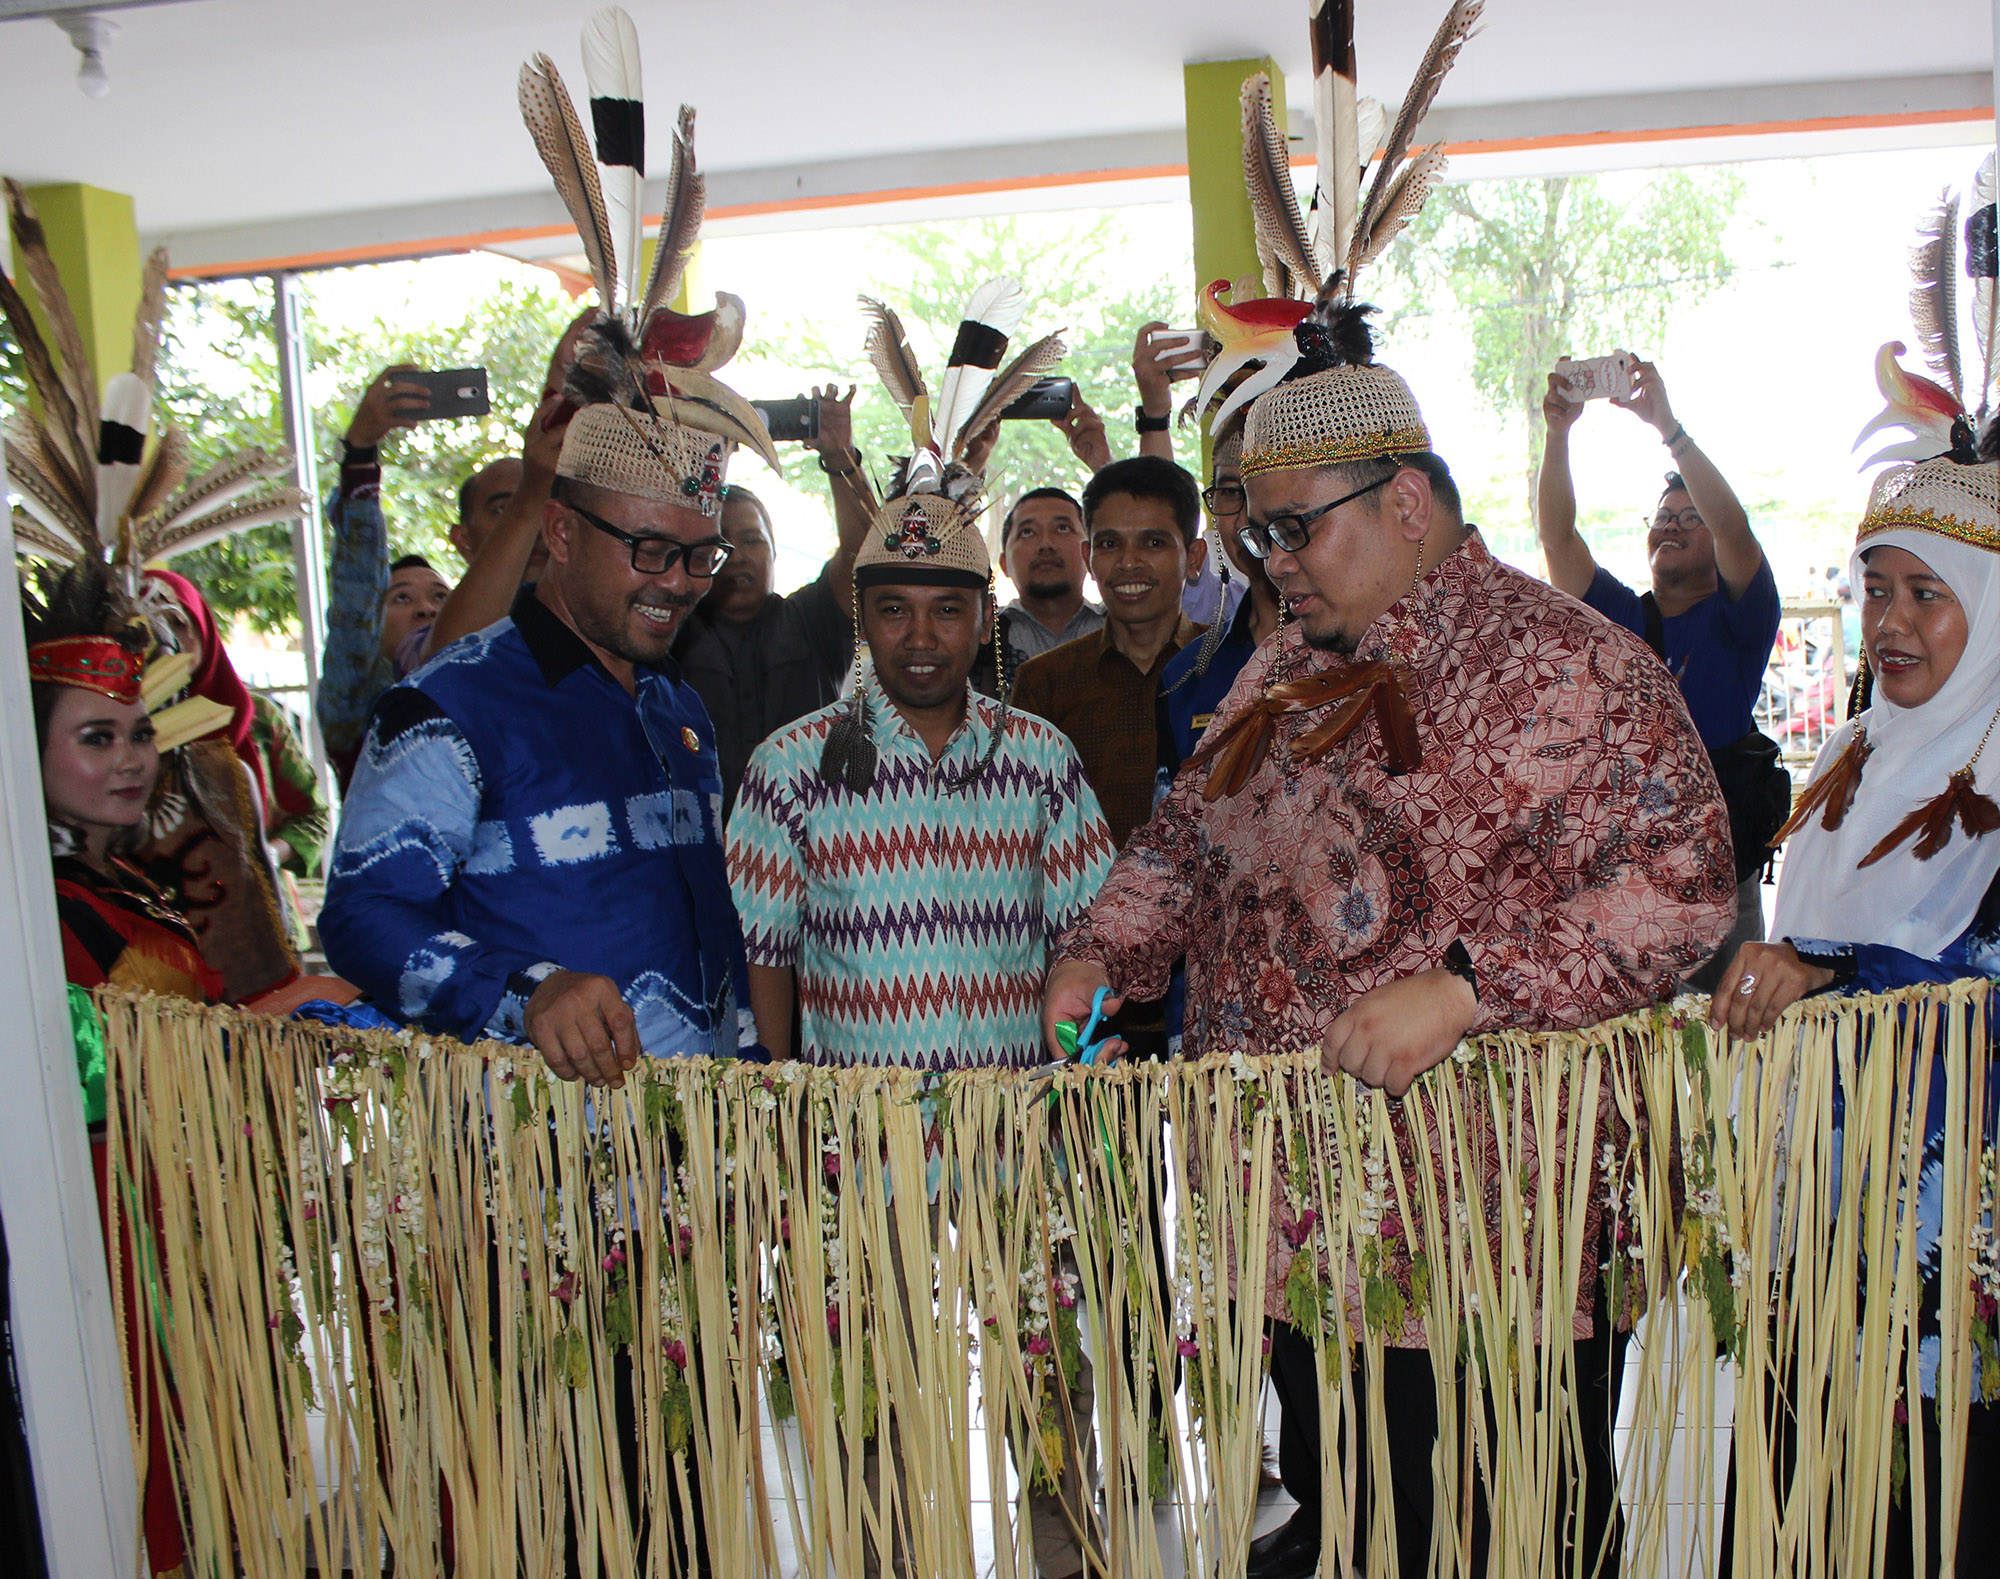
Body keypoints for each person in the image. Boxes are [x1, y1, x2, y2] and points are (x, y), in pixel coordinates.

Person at [1045, 306, 1734, 1579]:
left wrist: (1468, 988)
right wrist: (1103, 950)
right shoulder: (1275, 671)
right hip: (1295, 1227)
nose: (1272, 562)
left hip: (1490, 1244)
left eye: (1293, 528)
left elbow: (1681, 889)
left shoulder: (1568, 664)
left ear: (1405, 503)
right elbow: (1185, 839)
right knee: (1350, 1512)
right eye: (1256, 532)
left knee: (1513, 1528)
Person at [727, 314, 1115, 1579]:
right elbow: (767, 951)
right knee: (870, 1387)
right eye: (891, 610)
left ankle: (1065, 1555)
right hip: (859, 1139)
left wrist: (1077, 1084)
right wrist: (786, 1101)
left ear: (978, 612)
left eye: (945, 610)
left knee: (1048, 1374)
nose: (919, 638)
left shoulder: (1039, 757)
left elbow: (1090, 936)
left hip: (1021, 1129)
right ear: (859, 614)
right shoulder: (791, 766)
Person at [1708, 374, 2000, 1576]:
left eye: (1928, 593)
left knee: (1922, 1510)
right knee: (1803, 1500)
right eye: (1875, 588)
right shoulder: (1851, 753)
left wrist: (1834, 974)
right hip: (1816, 1214)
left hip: (1944, 1238)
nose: (1890, 622)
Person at [320, 383, 763, 1076]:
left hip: (707, 1124)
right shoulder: (450, 704)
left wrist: (752, 1068)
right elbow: (361, 917)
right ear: (559, 533)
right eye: (651, 549)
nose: (680, 583)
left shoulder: (678, 707)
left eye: (701, 556)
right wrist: (525, 991)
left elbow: (710, 930)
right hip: (533, 1131)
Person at [25, 559, 223, 1576]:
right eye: (96, 738)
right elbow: (91, 1070)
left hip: (173, 1214)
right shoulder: (37, 915)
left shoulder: (129, 887)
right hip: (108, 1234)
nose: (131, 759)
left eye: (140, 733)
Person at [1539, 358, 1786, 988]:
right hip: (1625, 881)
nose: (1672, 526)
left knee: (1728, 1033)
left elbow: (1736, 531)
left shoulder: (1740, 617)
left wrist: (1668, 429)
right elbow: (1558, 539)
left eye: (1689, 518)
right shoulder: (1621, 613)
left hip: (1720, 880)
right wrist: (1558, 433)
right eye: (1662, 517)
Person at [672, 386, 875, 812]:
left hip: (811, 835)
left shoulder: (812, 620)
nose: (737, 555)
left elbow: (863, 556)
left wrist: (840, 456)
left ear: (774, 552)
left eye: (752, 540)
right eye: (720, 543)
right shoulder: (673, 626)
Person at [1010, 455, 1205, 851]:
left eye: (1154, 543)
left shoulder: (1233, 669)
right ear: (1089, 559)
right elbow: (1021, 825)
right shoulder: (1045, 683)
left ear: (1194, 557)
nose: (1129, 562)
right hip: (1081, 891)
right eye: (1110, 544)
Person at [972, 486, 1103, 696]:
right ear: (1004, 564)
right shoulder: (979, 638)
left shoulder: (1122, 629)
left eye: (1062, 528)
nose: (1046, 544)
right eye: (1028, 532)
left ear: (1088, 553)